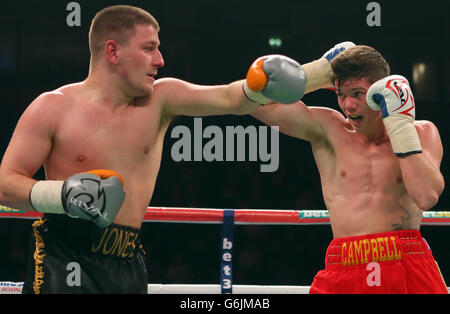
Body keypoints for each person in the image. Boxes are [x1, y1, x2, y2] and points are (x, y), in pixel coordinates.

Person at [0, 5, 306, 293]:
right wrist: (63, 195)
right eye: (149, 48)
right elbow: (5, 183)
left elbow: (229, 99)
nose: (160, 59)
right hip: (64, 255)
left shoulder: (161, 99)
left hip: (128, 260)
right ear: (113, 51)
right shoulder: (53, 107)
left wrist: (266, 82)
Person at [248, 43, 447, 293]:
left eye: (357, 93)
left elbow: (426, 196)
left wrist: (400, 126)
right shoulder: (328, 129)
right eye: (341, 94)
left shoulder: (422, 131)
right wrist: (317, 74)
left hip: (406, 259)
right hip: (344, 263)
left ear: (381, 91)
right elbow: (254, 101)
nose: (348, 105)